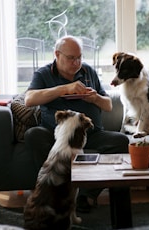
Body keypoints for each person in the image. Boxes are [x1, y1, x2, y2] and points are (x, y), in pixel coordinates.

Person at [24, 35, 129, 213]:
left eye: (79, 57)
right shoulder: (43, 74)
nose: (76, 62)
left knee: (121, 141)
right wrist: (64, 89)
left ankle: (86, 196)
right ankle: (53, 192)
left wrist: (95, 98)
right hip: (56, 136)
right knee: (33, 135)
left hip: (91, 134)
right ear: (57, 54)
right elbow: (29, 99)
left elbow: (108, 105)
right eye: (71, 58)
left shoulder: (89, 72)